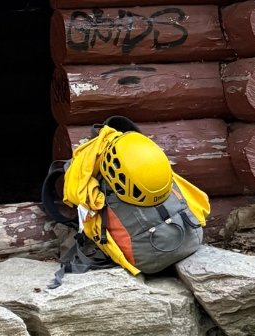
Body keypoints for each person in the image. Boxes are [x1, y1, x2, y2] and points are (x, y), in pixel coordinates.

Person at [40, 116, 209, 279]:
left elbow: (73, 196)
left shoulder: (90, 165)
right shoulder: (141, 147)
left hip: (147, 260)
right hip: (192, 234)